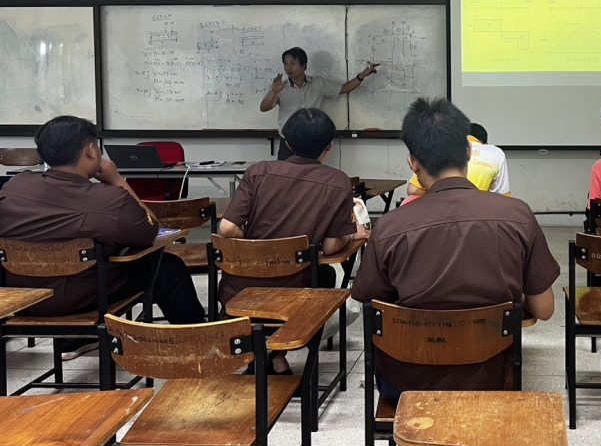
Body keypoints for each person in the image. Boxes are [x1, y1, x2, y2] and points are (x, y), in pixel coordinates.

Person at [353, 97, 560, 400]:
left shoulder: (389, 227)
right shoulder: (518, 215)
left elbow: (371, 304)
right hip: (490, 376)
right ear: (469, 152)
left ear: (413, 162)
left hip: (408, 384)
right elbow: (544, 309)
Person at [0, 116, 205, 358]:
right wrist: (117, 180)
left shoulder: (15, 186)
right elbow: (150, 229)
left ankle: (72, 341)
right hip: (80, 297)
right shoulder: (108, 199)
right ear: (90, 150)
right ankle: (198, 342)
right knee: (167, 267)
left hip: (24, 300)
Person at [218, 108, 359, 371]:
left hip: (239, 289)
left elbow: (226, 229)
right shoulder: (337, 182)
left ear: (288, 143)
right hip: (296, 291)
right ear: (329, 146)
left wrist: (254, 250)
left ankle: (269, 357)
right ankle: (275, 353)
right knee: (326, 275)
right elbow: (331, 247)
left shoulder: (258, 172)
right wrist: (352, 233)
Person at [259, 47, 379, 159]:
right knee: (285, 174)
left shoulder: (318, 83)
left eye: (292, 63)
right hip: (288, 142)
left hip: (312, 140)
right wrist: (274, 92)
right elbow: (263, 108)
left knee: (312, 173)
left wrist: (362, 76)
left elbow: (344, 88)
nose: (288, 68)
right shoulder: (280, 87)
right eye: (285, 64)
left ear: (304, 66)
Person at [406, 120, 511, 199]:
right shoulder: (496, 153)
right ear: (484, 142)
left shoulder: (440, 148)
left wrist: (441, 195)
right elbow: (503, 197)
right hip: (477, 212)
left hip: (437, 211)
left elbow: (412, 190)